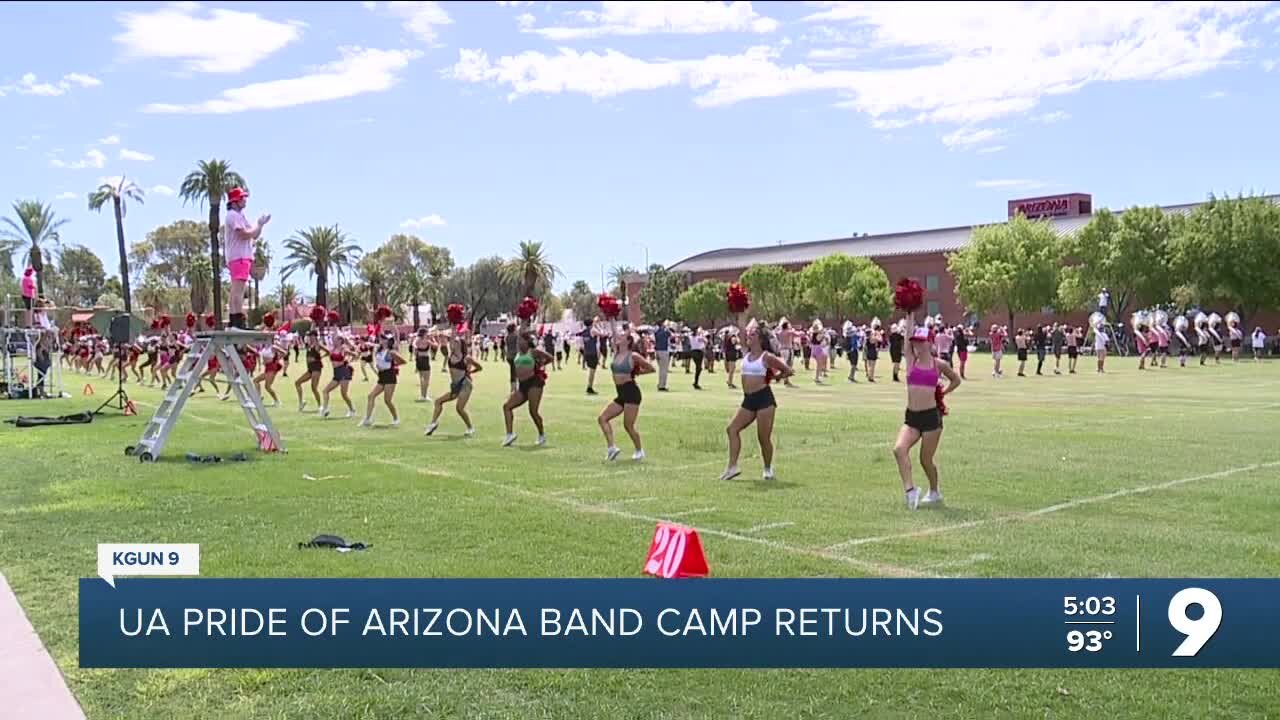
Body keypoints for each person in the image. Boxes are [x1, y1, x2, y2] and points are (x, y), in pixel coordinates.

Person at [893, 319, 962, 510]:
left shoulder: (939, 364)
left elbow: (956, 380)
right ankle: (910, 491)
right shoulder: (910, 361)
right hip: (912, 418)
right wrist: (910, 315)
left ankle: (934, 491)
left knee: (925, 460)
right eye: (915, 341)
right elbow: (907, 338)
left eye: (921, 341)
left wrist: (943, 393)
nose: (916, 344)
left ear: (929, 343)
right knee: (899, 449)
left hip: (931, 417)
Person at [720, 320, 794, 481]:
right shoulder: (746, 352)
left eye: (752, 334)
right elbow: (740, 328)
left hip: (764, 399)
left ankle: (768, 468)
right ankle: (732, 467)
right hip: (748, 400)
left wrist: (775, 377)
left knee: (763, 438)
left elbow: (788, 370)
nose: (748, 336)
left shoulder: (766, 357)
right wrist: (742, 313)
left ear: (760, 339)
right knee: (732, 429)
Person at [599, 331, 655, 461]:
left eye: (622, 336)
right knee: (602, 418)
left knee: (628, 425)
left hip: (631, 392)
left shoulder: (633, 355)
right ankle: (611, 448)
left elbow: (651, 368)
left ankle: (639, 450)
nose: (618, 337)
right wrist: (610, 315)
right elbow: (612, 330)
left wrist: (638, 372)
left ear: (628, 341)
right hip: (621, 393)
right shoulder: (617, 352)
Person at [222, 187, 269, 329]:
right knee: (238, 290)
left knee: (238, 289)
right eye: (242, 198)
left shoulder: (240, 215)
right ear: (235, 200)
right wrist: (257, 226)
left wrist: (260, 225)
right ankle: (237, 320)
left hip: (241, 257)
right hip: (239, 257)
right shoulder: (232, 215)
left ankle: (235, 319)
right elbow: (244, 234)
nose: (245, 200)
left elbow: (253, 234)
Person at [502, 331, 554, 447]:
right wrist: (514, 386)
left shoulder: (533, 352)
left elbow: (550, 358)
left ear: (527, 341)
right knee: (507, 407)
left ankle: (541, 435)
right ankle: (509, 434)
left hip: (534, 383)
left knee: (533, 411)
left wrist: (540, 365)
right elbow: (516, 371)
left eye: (522, 340)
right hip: (522, 385)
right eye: (518, 340)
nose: (519, 342)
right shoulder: (517, 353)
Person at [425, 333, 482, 437]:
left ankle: (470, 428)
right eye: (453, 342)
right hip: (455, 386)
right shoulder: (449, 355)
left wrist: (470, 372)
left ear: (460, 345)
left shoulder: (467, 358)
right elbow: (443, 344)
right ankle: (433, 424)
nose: (453, 343)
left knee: (459, 408)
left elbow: (479, 367)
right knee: (438, 402)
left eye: (456, 342)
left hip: (465, 385)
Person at [359, 333, 405, 427]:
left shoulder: (391, 352)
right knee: (371, 396)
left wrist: (393, 366)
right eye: (381, 338)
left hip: (389, 376)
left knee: (387, 400)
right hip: (382, 376)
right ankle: (367, 419)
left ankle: (396, 419)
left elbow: (402, 361)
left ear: (388, 341)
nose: (381, 340)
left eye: (384, 339)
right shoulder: (379, 350)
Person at [319, 338, 357, 418]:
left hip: (344, 371)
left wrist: (348, 362)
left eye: (336, 340)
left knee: (343, 394)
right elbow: (328, 353)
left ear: (340, 341)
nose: (334, 341)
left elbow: (355, 355)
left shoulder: (344, 349)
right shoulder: (333, 349)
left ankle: (352, 410)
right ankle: (325, 409)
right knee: (325, 391)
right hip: (336, 373)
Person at [294, 333, 324, 412]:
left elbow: (327, 351)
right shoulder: (309, 345)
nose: (310, 337)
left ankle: (320, 405)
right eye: (309, 336)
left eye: (311, 336)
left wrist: (320, 358)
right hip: (310, 369)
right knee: (297, 383)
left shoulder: (317, 345)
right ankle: (301, 402)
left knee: (314, 387)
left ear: (315, 336)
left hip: (316, 368)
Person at [412, 328, 436, 403]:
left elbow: (414, 344)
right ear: (424, 333)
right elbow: (435, 346)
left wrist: (416, 348)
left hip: (418, 359)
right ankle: (424, 396)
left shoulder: (417, 339)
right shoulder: (427, 340)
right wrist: (433, 339)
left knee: (421, 378)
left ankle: (422, 395)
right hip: (425, 359)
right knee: (426, 379)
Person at [581, 320, 601, 395]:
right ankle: (589, 387)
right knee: (592, 371)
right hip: (592, 353)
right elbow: (601, 334)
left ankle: (590, 386)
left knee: (591, 371)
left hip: (587, 352)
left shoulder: (584, 331)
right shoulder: (592, 330)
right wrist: (597, 326)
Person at [653, 320, 672, 391]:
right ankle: (662, 385)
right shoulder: (666, 332)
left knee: (661, 369)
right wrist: (667, 327)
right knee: (664, 369)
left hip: (657, 350)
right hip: (664, 350)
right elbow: (670, 335)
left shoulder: (656, 332)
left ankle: (660, 384)